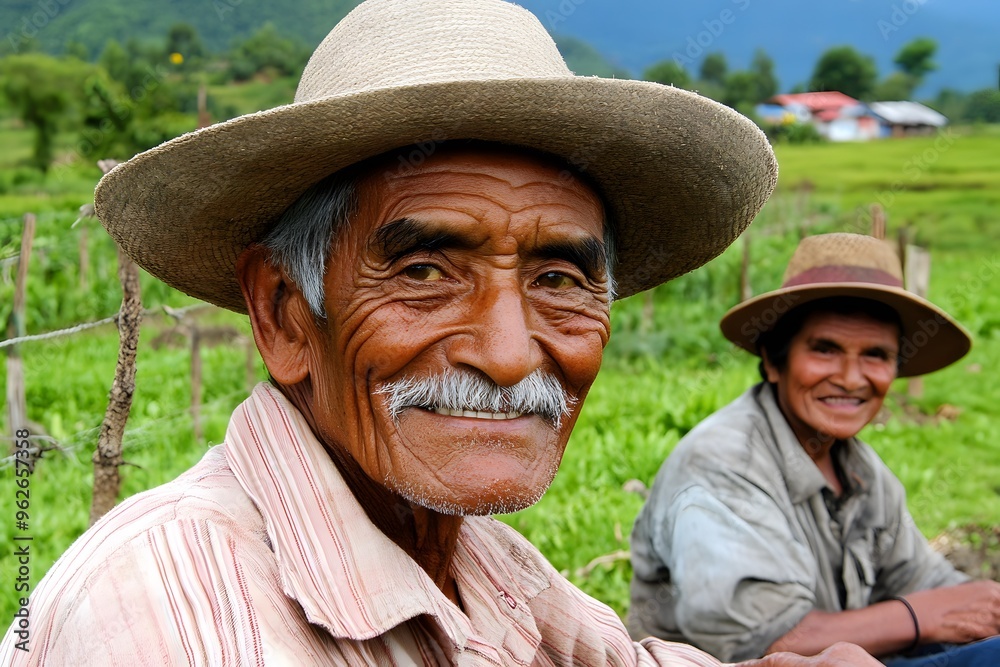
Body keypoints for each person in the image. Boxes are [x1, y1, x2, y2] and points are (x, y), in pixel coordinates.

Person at [1, 1, 878, 665]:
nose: (509, 354)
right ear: (285, 314)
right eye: (424, 272)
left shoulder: (472, 554)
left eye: (559, 279)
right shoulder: (179, 615)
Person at [629, 232, 1000, 666]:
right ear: (774, 360)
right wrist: (921, 616)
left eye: (876, 355)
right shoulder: (720, 463)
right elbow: (764, 642)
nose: (851, 378)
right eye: (825, 349)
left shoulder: (859, 469)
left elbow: (924, 580)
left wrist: (975, 605)